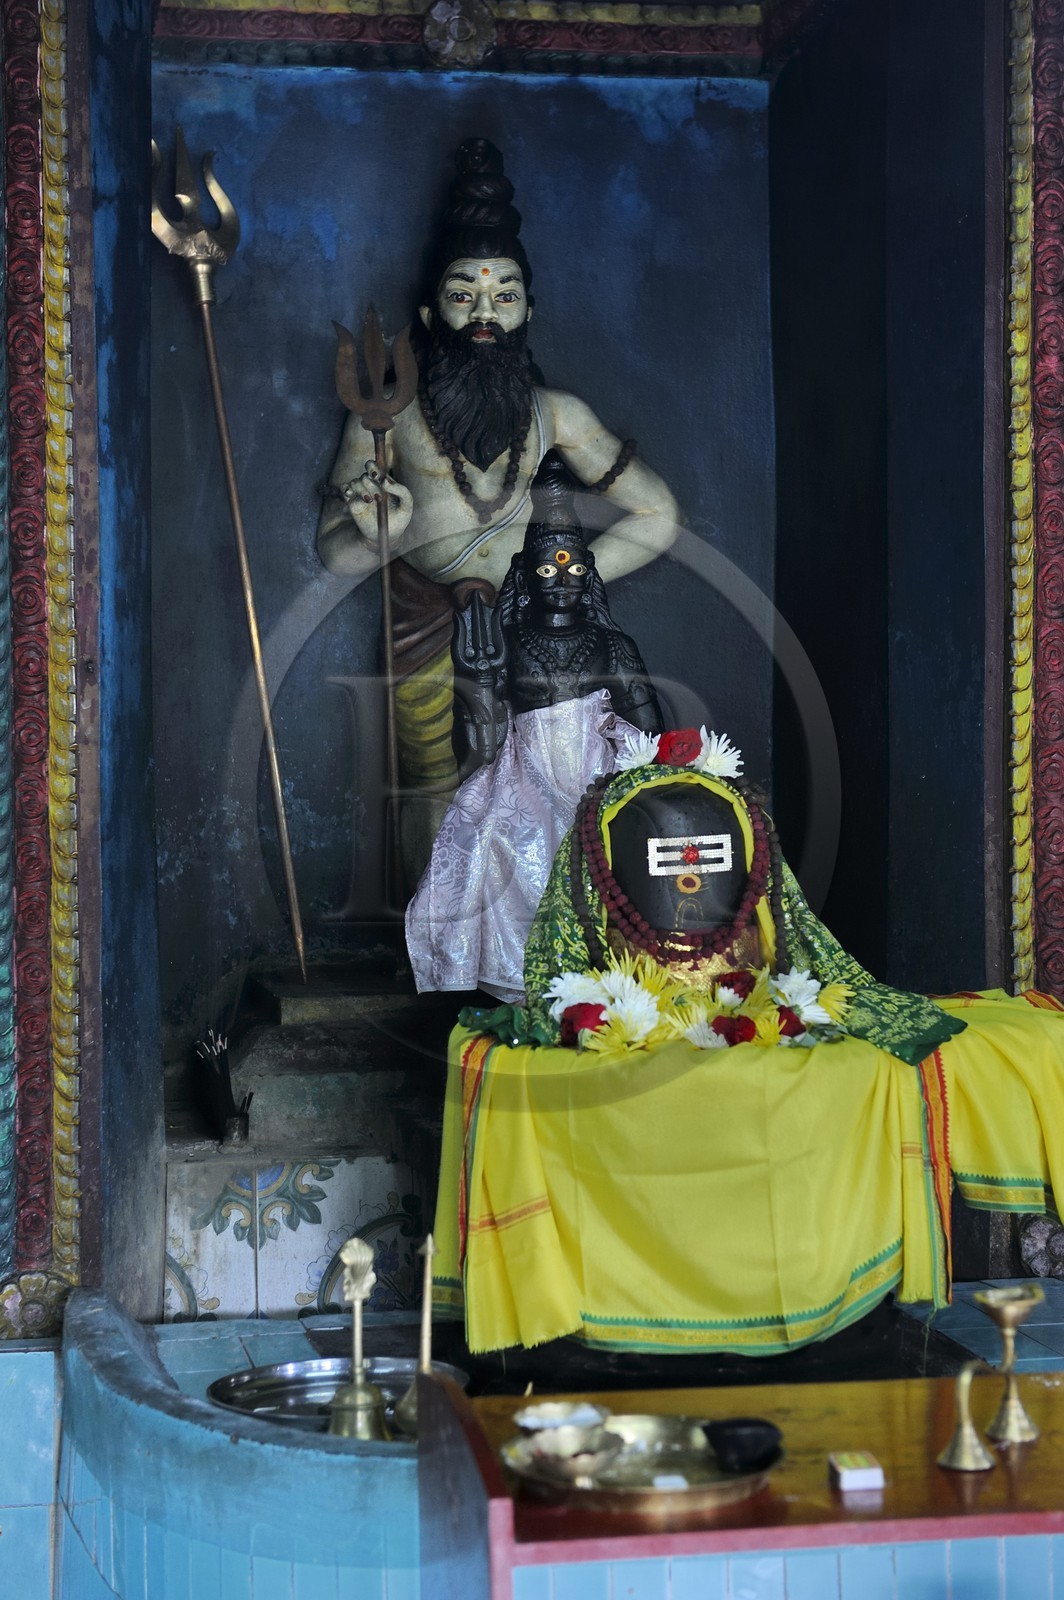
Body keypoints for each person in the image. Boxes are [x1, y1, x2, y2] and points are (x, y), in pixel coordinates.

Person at [317, 138, 679, 884]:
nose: (484, 313)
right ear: (431, 311)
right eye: (464, 295)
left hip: (537, 628)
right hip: (423, 619)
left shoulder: (557, 414)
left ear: (527, 311)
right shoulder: (387, 415)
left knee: (544, 774)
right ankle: (437, 931)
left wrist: (557, 583)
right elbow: (334, 553)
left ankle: (544, 931)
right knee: (431, 781)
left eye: (504, 296)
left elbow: (657, 515)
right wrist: (381, 534)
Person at [404, 456, 663, 1001]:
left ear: (589, 571)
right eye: (548, 570)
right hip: (525, 770)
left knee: (612, 843)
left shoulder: (612, 645)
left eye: (573, 569)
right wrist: (477, 683)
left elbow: (648, 733)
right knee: (499, 837)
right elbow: (478, 751)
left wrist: (649, 787)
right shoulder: (509, 643)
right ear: (525, 574)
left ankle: (613, 981)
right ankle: (526, 982)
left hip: (600, 771)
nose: (563, 580)